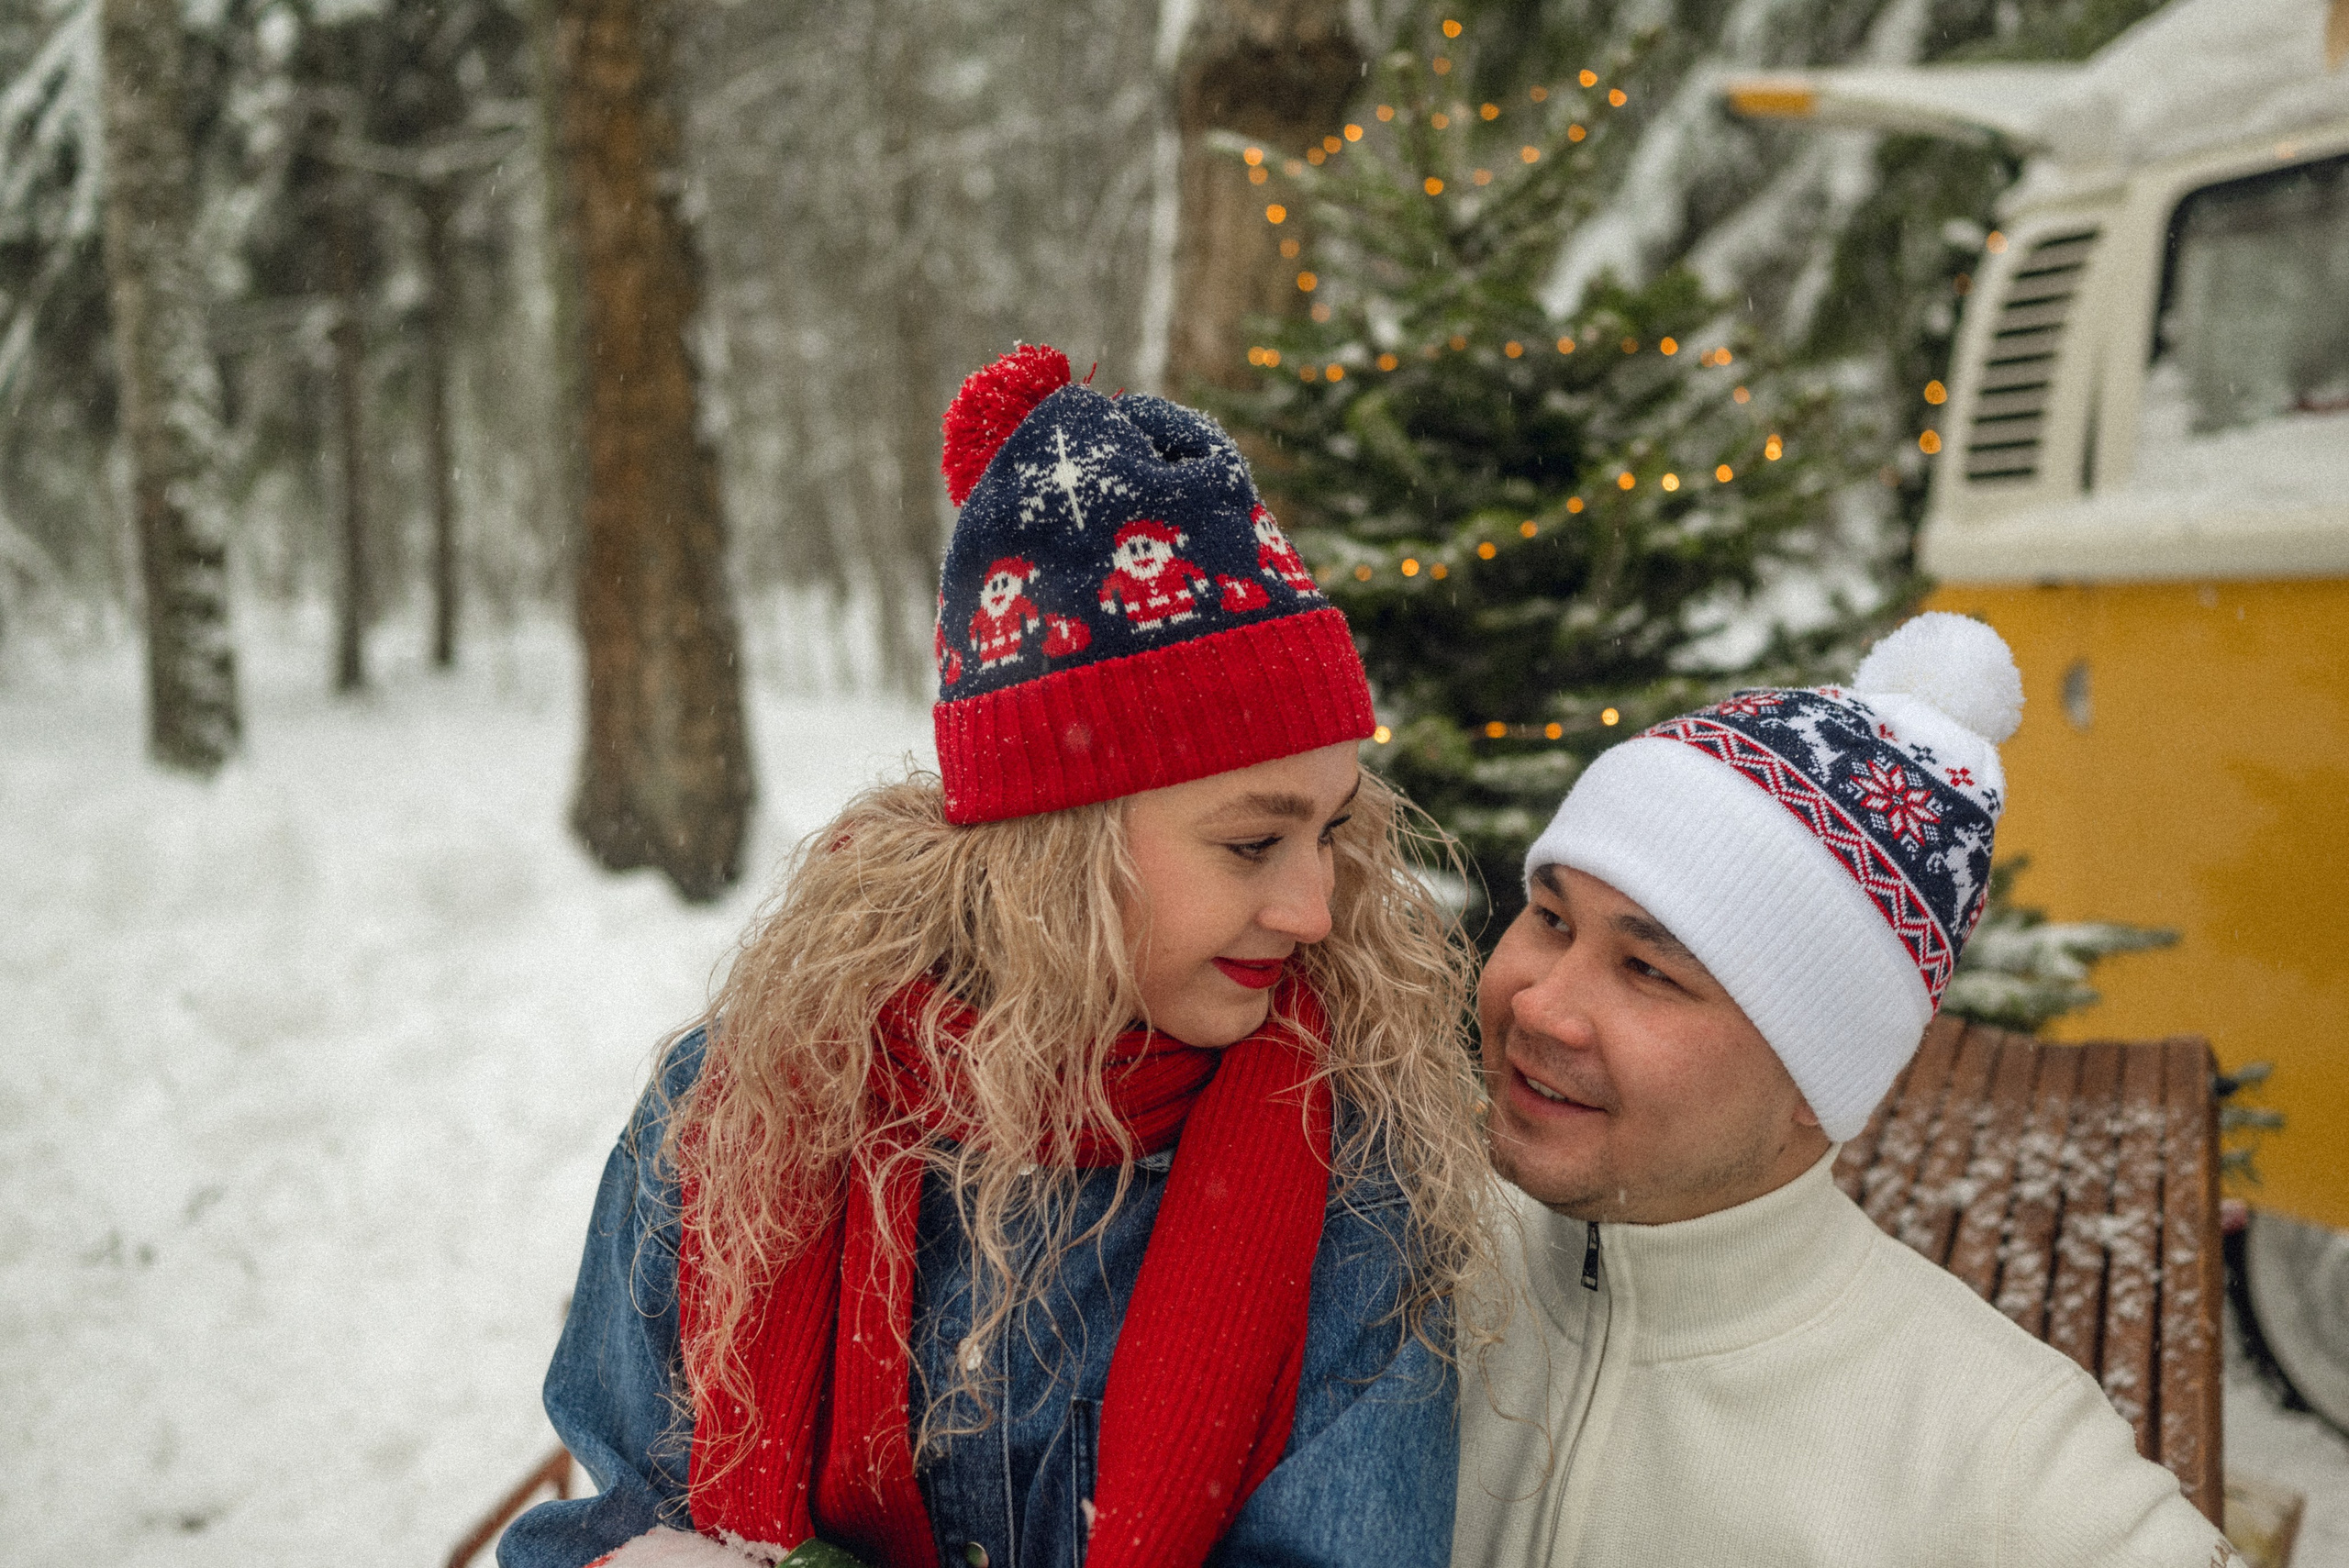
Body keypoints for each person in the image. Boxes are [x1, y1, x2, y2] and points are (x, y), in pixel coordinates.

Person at [500, 344, 1494, 1568]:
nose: (1314, 908)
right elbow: (603, 1514)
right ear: (1054, 846)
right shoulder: (740, 1101)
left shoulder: (1348, 1173)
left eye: (1333, 832)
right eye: (1252, 843)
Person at [1453, 613, 2237, 1567]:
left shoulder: (1998, 1462)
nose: (1541, 1003)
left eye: (1649, 970)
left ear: (1817, 1075)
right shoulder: (1403, 1253)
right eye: (1548, 916)